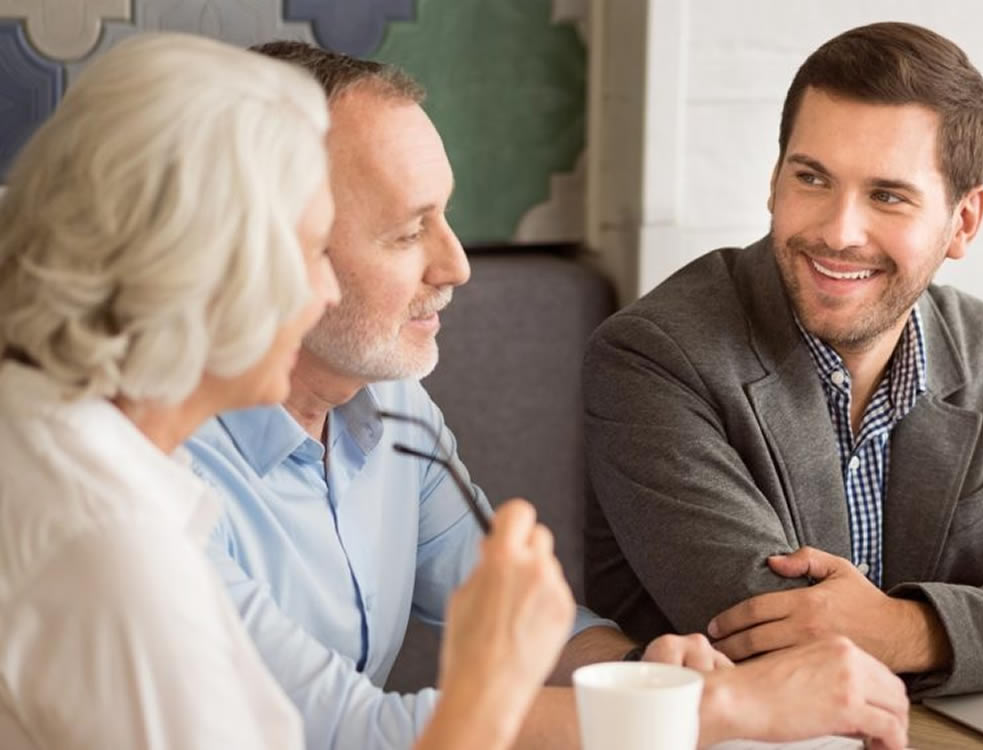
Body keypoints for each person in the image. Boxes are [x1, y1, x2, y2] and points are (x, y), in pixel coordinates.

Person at [189, 41, 910, 750]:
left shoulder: (394, 405)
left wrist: (640, 678)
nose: (458, 265)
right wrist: (720, 708)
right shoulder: (163, 469)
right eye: (410, 232)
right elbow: (348, 731)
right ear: (271, 247)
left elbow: (534, 628)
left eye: (445, 215)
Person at [0, 31, 576, 750]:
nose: (324, 292)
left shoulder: (106, 457)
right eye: (308, 253)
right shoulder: (112, 550)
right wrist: (484, 692)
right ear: (203, 271)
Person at [583, 20, 983, 698]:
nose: (839, 231)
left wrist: (905, 628)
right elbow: (770, 635)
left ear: (964, 222)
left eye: (888, 195)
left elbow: (862, 640)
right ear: (774, 183)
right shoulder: (653, 357)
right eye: (812, 178)